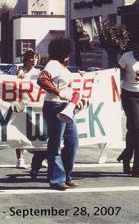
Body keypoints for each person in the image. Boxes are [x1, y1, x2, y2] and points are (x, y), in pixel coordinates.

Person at [37, 37, 85, 191]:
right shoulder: (53, 64)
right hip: (54, 105)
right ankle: (57, 179)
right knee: (56, 144)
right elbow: (42, 80)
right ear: (65, 51)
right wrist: (59, 93)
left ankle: (65, 175)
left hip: (66, 106)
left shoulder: (63, 67)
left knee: (72, 143)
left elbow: (68, 87)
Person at [15, 49, 48, 179]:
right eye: (31, 57)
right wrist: (19, 76)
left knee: (38, 132)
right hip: (22, 105)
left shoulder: (38, 72)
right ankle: (20, 159)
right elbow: (14, 82)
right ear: (26, 59)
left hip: (36, 106)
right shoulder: (20, 70)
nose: (34, 60)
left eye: (35, 58)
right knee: (20, 132)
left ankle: (39, 156)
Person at [117, 39, 139, 177]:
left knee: (137, 131)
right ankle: (133, 163)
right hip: (130, 96)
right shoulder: (126, 57)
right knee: (137, 129)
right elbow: (117, 75)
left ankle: (133, 162)